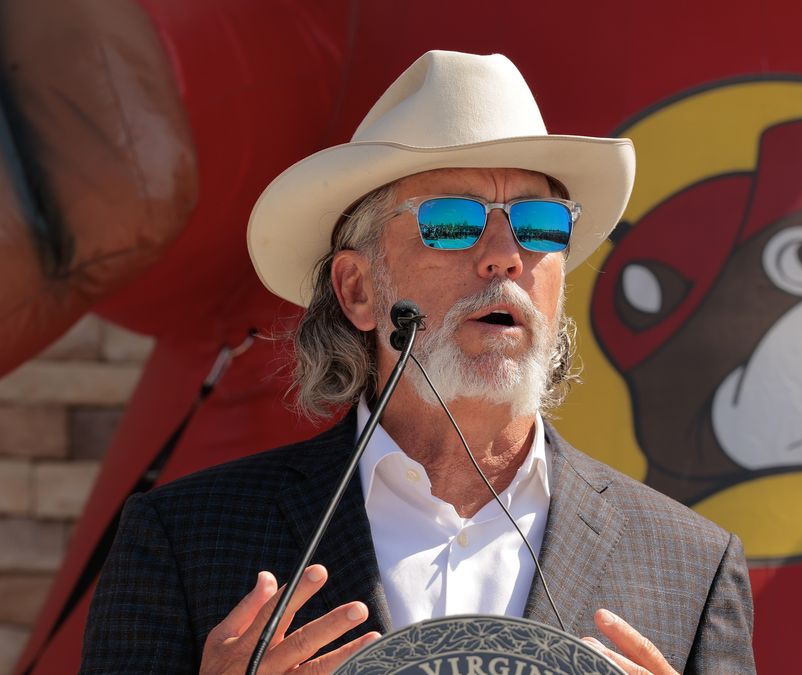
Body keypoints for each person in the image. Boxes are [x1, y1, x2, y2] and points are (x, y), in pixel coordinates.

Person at [81, 50, 755, 674]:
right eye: (454, 221)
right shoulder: (181, 538)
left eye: (541, 223)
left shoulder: (691, 564)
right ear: (358, 290)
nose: (504, 254)